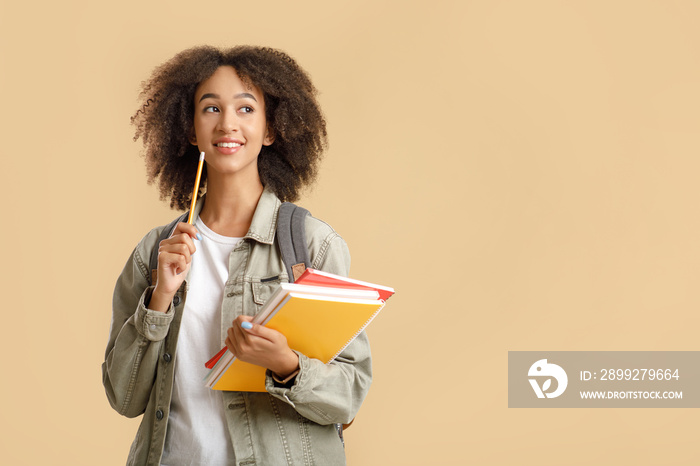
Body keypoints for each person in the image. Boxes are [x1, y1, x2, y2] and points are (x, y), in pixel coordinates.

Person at [102, 45, 371, 466]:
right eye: (210, 108)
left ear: (271, 129)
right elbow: (123, 397)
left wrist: (284, 363)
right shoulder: (154, 252)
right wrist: (159, 299)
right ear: (191, 128)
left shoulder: (312, 246)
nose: (227, 123)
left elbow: (350, 394)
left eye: (246, 109)